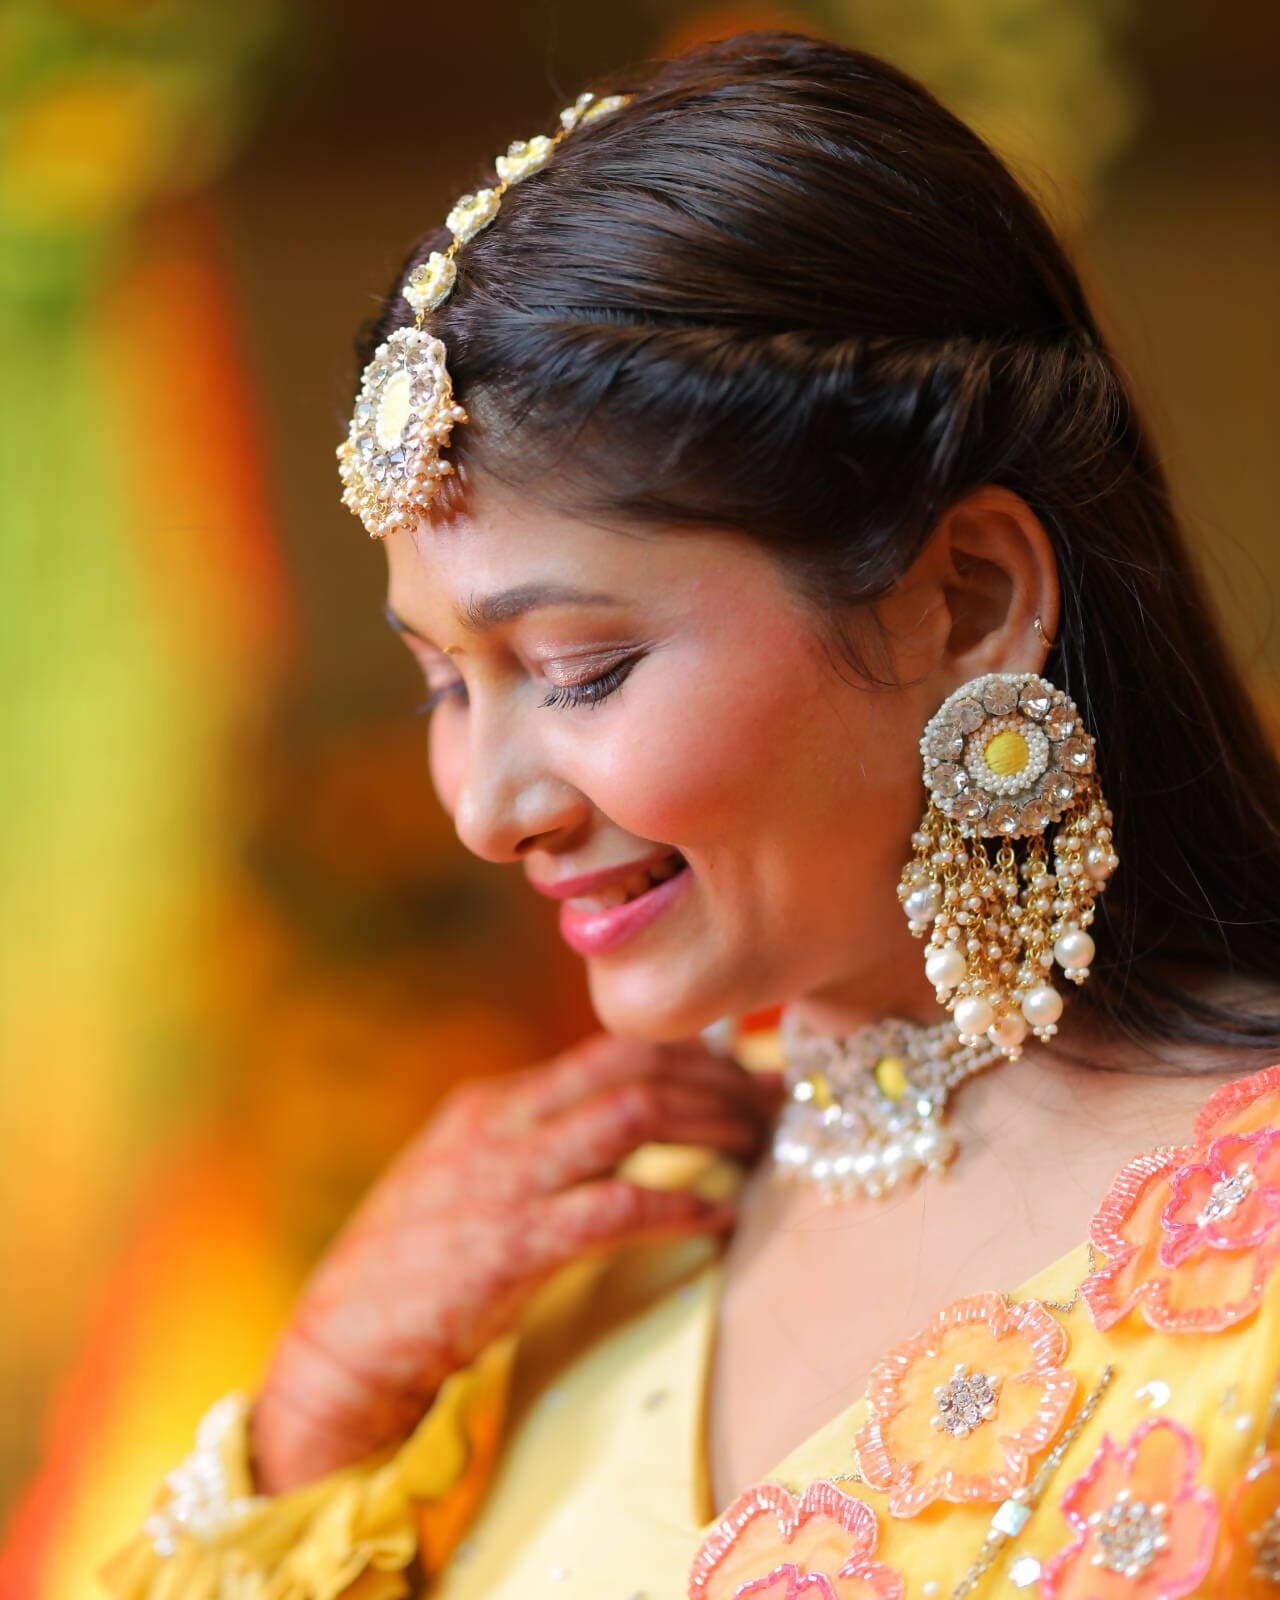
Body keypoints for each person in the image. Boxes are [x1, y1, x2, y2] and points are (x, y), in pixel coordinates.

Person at [104, 32, 1280, 1599]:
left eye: (579, 670)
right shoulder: (580, 1248)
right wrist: (309, 1430)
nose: (482, 808)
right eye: (444, 684)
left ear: (968, 599)